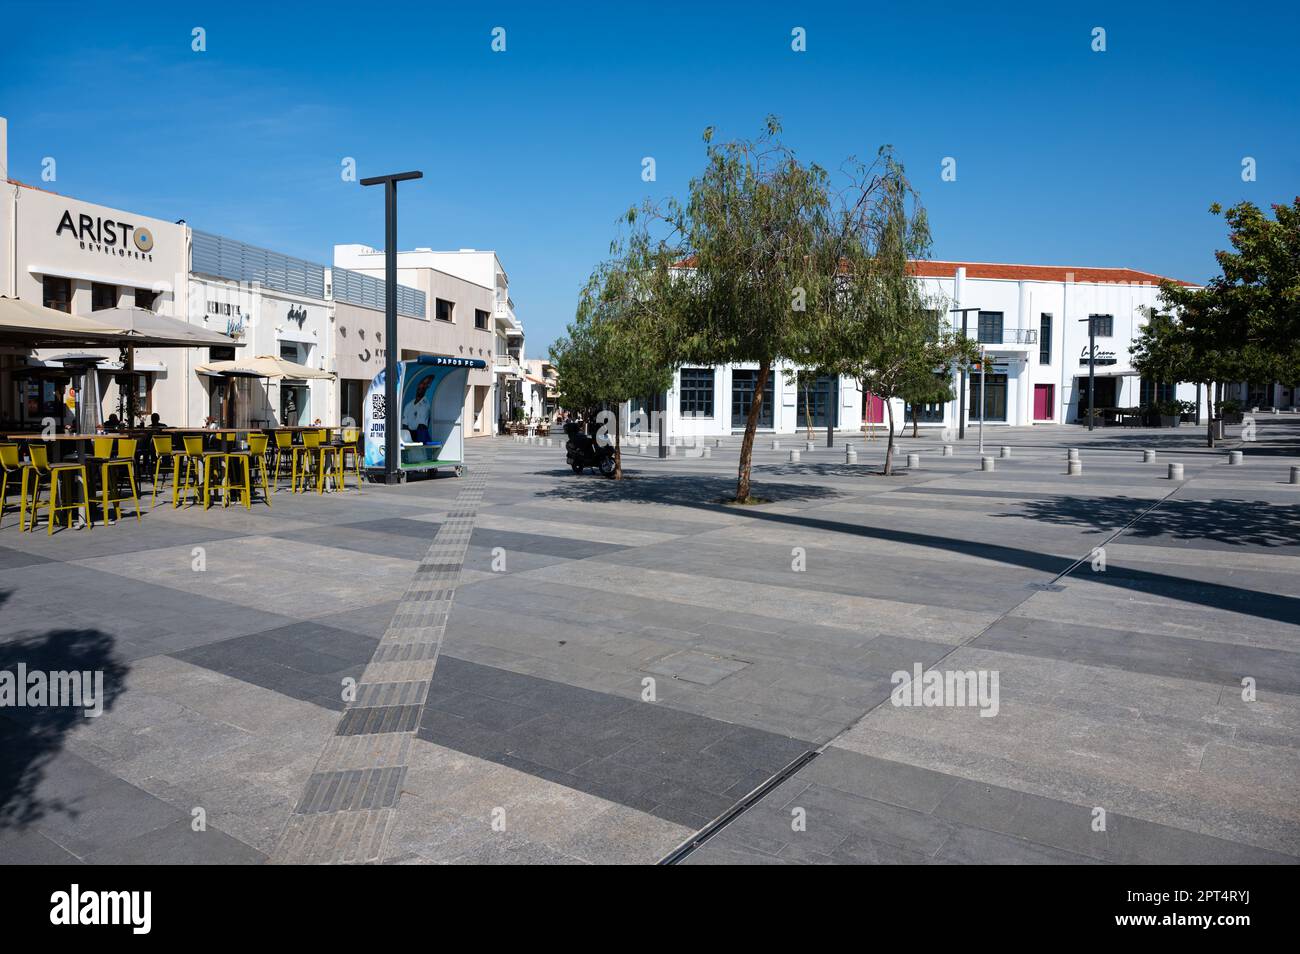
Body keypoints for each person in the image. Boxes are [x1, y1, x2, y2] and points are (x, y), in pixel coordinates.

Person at [402, 375, 434, 444]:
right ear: (418, 384)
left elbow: (421, 427)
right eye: (422, 383)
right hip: (410, 441)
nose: (422, 386)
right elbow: (405, 426)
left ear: (428, 386)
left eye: (426, 384)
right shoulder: (408, 405)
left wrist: (411, 441)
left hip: (420, 440)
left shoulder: (425, 405)